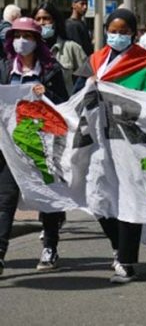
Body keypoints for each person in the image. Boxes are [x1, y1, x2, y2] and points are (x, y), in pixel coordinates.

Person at [73, 8, 146, 284]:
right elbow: (75, 96)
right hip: (98, 142)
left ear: (134, 34)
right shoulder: (95, 60)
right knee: (96, 198)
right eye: (113, 31)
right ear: (106, 30)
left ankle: (127, 261)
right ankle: (119, 246)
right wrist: (88, 87)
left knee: (129, 199)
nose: (117, 36)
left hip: (131, 143)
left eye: (124, 32)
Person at [0, 18, 69, 273]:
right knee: (5, 199)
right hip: (9, 148)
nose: (21, 41)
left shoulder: (51, 71)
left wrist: (46, 94)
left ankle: (50, 247)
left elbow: (64, 105)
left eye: (27, 36)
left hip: (42, 146)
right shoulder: (5, 68)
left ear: (37, 42)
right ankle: (0, 251)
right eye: (17, 35)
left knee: (46, 197)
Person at [34, 2, 87, 94]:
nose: (41, 23)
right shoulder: (30, 50)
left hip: (64, 105)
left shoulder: (71, 48)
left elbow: (87, 79)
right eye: (38, 19)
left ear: (55, 21)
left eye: (46, 18)